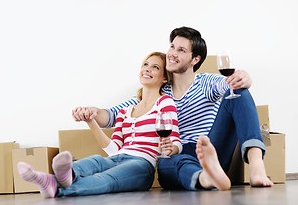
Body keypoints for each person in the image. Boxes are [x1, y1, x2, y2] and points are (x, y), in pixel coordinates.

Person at [73, 26, 273, 190]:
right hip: (178, 154)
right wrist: (92, 112)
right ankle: (205, 178)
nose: (172, 54)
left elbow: (231, 83)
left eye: (181, 50)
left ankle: (256, 165)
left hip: (210, 146)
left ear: (195, 60)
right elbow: (111, 116)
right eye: (172, 47)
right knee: (165, 161)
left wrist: (244, 76)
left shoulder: (206, 82)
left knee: (238, 91)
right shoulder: (157, 92)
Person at [17, 51, 181, 198]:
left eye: (155, 67)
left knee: (105, 179)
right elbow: (114, 149)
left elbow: (176, 141)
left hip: (142, 163)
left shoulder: (164, 102)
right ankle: (61, 175)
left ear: (165, 77)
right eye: (145, 64)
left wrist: (170, 148)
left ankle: (54, 185)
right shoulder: (125, 111)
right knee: (96, 160)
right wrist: (91, 122)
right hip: (118, 157)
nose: (147, 69)